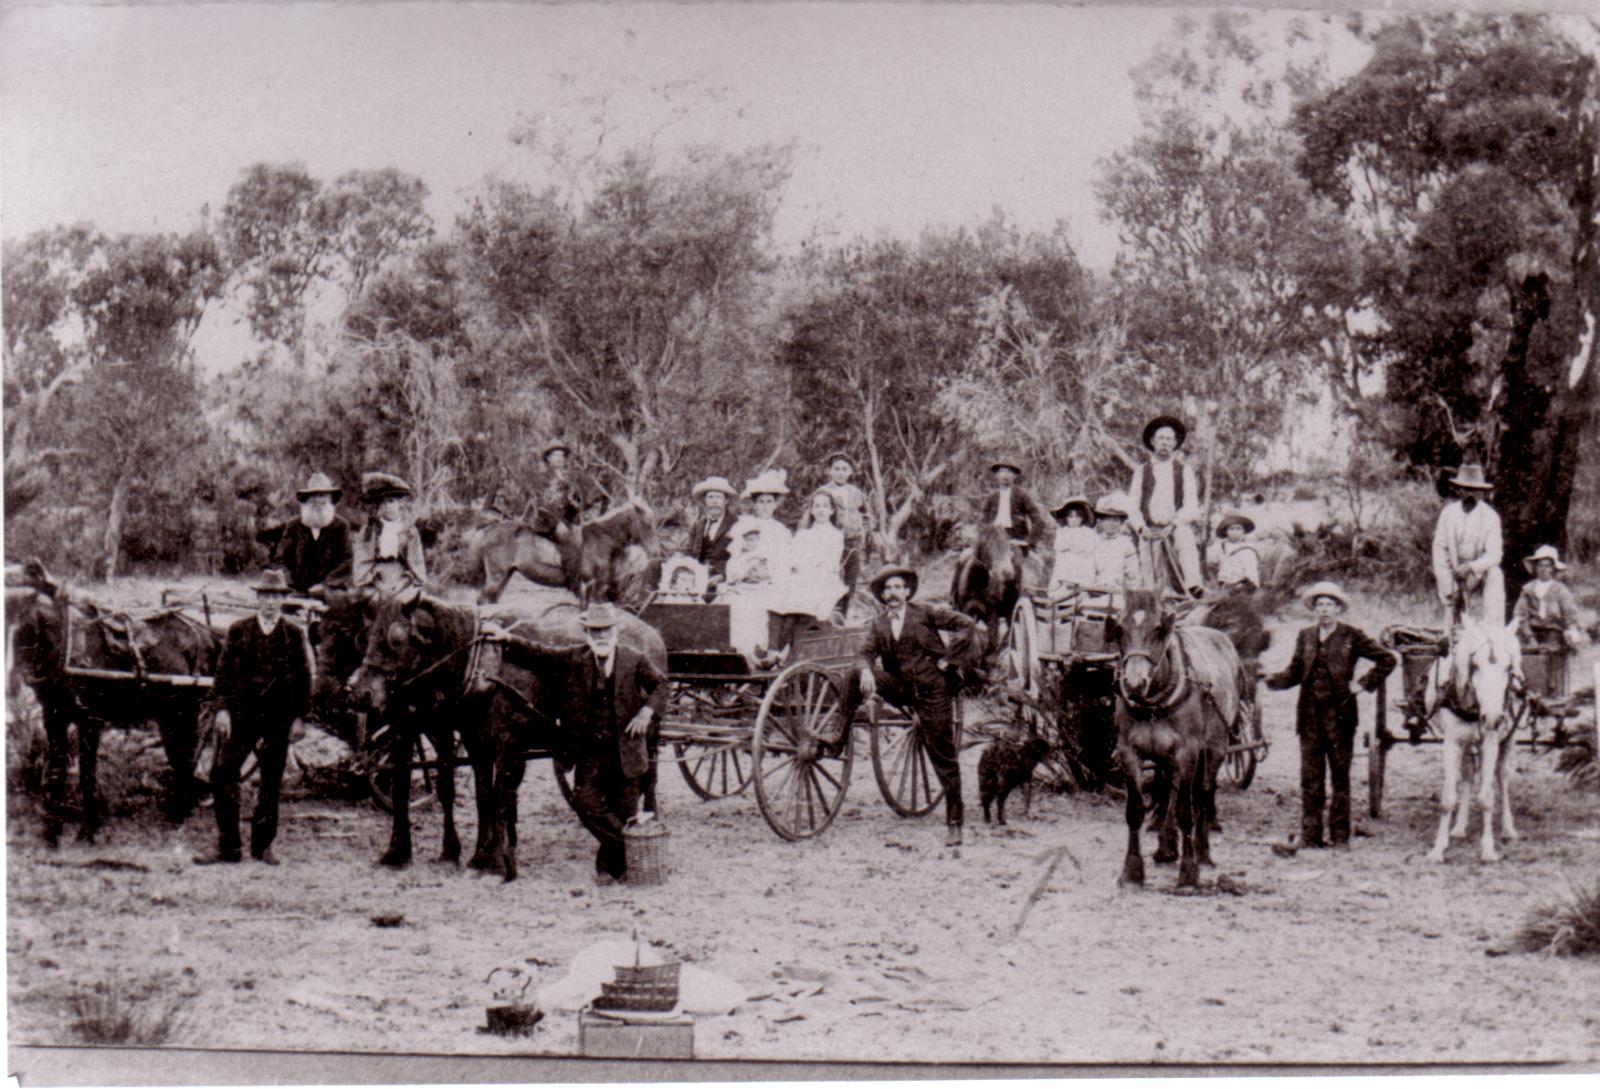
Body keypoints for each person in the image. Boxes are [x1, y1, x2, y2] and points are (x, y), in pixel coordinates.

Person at [498, 603, 668, 884]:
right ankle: (632, 847)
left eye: (605, 630)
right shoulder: (576, 658)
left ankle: (607, 869)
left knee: (624, 812)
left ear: (615, 631)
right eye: (595, 631)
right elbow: (539, 653)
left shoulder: (634, 659)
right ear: (587, 633)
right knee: (585, 802)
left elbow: (662, 685)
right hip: (590, 753)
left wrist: (646, 712)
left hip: (626, 752)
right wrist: (506, 638)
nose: (601, 636)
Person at [837, 565, 977, 848]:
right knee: (853, 674)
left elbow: (966, 625)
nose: (892, 593)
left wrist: (948, 660)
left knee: (943, 754)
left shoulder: (925, 612)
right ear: (882, 595)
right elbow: (865, 652)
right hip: (900, 687)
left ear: (907, 591)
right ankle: (838, 737)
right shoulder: (879, 623)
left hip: (932, 689)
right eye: (887, 589)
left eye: (898, 587)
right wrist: (865, 669)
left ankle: (954, 822)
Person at [193, 570, 314, 867]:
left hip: (278, 719)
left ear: (283, 600)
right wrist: (222, 709)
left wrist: (299, 718)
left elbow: (303, 680)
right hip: (241, 716)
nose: (270, 603)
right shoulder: (238, 631)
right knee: (222, 774)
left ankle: (263, 847)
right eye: (265, 596)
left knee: (271, 781)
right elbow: (221, 676)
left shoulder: (294, 634)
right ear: (258, 599)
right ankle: (228, 847)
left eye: (275, 597)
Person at [1264, 581, 1396, 850]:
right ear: (1314, 609)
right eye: (1319, 605)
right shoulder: (1305, 636)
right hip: (1309, 717)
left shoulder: (1352, 636)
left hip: (1340, 718)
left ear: (1338, 608)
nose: (1324, 610)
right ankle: (1311, 836)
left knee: (1339, 776)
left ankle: (1339, 837)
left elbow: (1387, 659)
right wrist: (1271, 679)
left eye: (1329, 605)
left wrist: (1361, 684)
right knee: (1310, 778)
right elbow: (1295, 671)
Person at [1126, 415, 1205, 599]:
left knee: (1185, 537)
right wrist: (1140, 526)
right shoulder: (1141, 471)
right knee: (1142, 564)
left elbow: (1191, 505)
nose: (1165, 443)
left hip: (1174, 527)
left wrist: (1174, 525)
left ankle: (1193, 584)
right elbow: (1132, 505)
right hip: (1148, 528)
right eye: (1161, 439)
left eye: (1169, 439)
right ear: (1153, 442)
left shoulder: (1184, 470)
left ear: (1175, 443)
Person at [768, 489, 850, 648]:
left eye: (825, 506)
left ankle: (787, 651)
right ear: (811, 510)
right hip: (801, 578)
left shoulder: (835, 535)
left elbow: (830, 564)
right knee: (778, 603)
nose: (820, 510)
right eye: (817, 506)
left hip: (824, 580)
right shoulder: (802, 534)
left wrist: (806, 570)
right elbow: (792, 560)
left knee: (801, 601)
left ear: (832, 510)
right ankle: (773, 650)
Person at [1431, 462, 1504, 626]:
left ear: (1481, 492)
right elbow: (1439, 551)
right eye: (1466, 489)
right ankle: (1453, 630)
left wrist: (1471, 567)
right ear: (1458, 490)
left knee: (1496, 574)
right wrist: (1450, 588)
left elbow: (1495, 554)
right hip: (1454, 571)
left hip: (1477, 570)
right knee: (1452, 626)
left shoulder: (1490, 516)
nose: (1470, 494)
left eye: (1475, 490)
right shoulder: (1448, 514)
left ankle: (1494, 627)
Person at [268, 472, 353, 596]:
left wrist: (326, 585)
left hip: (330, 590)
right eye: (313, 496)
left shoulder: (341, 526)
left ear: (330, 499)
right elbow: (279, 561)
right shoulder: (293, 526)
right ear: (306, 500)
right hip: (296, 590)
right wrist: (290, 584)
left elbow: (348, 561)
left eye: (322, 495)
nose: (318, 500)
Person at [350, 472, 427, 599]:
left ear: (399, 504)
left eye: (391, 501)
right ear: (379, 506)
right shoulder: (369, 531)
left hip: (402, 579)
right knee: (370, 605)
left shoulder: (409, 531)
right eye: (383, 503)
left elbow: (416, 563)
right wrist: (379, 585)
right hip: (375, 580)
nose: (387, 506)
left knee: (408, 605)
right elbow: (362, 562)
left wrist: (402, 584)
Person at [529, 440, 587, 589]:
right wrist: (557, 523)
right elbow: (541, 504)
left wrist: (576, 504)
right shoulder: (542, 479)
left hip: (568, 521)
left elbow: (576, 502)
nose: (560, 459)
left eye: (562, 456)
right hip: (547, 522)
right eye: (556, 456)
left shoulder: (567, 478)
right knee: (571, 545)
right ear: (548, 458)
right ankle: (574, 584)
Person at [817, 453, 872, 591]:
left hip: (854, 541)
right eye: (836, 469)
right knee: (830, 578)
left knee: (851, 579)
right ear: (829, 471)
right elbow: (812, 516)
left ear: (850, 472)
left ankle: (845, 611)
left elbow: (867, 514)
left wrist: (863, 528)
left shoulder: (855, 492)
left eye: (844, 469)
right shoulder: (823, 492)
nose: (840, 473)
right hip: (830, 541)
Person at [1512, 545, 1582, 652]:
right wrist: (1530, 637)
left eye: (1548, 566)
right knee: (1515, 647)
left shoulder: (1560, 589)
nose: (1543, 570)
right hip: (1532, 630)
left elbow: (1569, 613)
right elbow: (1520, 615)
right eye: (1540, 565)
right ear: (1535, 567)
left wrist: (1572, 629)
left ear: (1553, 569)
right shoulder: (1528, 589)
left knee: (1551, 650)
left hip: (1552, 631)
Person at [980, 457, 1049, 555]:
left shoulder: (1022, 495)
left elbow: (1039, 521)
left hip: (1016, 538)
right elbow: (983, 521)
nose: (1005, 475)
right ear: (997, 475)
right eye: (1002, 472)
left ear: (1015, 476)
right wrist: (985, 535)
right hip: (994, 537)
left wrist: (1029, 542)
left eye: (1009, 472)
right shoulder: (991, 498)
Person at [1087, 492, 1141, 600]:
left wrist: (1126, 585)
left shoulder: (1126, 544)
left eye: (1115, 520)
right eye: (1108, 519)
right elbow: (1087, 567)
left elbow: (1133, 572)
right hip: (1095, 589)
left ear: (1121, 523)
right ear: (1101, 522)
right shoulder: (1093, 541)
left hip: (1118, 590)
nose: (1112, 524)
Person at [685, 476, 738, 582]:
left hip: (721, 576)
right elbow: (688, 551)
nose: (714, 502)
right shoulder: (699, 524)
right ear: (705, 501)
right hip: (695, 574)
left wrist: (723, 574)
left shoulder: (736, 524)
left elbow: (740, 556)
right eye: (710, 497)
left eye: (718, 497)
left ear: (726, 501)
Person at [1047, 495, 1099, 598]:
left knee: (1083, 584)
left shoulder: (1088, 532)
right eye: (1071, 516)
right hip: (1065, 566)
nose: (1074, 520)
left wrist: (1074, 547)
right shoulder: (1062, 532)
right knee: (1062, 584)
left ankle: (1081, 598)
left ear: (1083, 518)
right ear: (1066, 518)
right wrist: (1071, 547)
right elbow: (1059, 547)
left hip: (1082, 566)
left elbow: (1089, 548)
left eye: (1077, 516)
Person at [1213, 512, 1261, 593]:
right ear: (1226, 531)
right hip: (1222, 583)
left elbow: (1252, 572)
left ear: (1243, 531)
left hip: (1239, 585)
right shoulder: (1219, 547)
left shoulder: (1247, 550)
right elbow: (1212, 564)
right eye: (1231, 529)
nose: (1235, 532)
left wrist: (1252, 586)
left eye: (1238, 529)